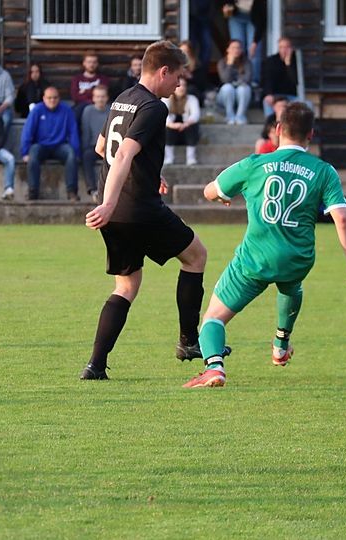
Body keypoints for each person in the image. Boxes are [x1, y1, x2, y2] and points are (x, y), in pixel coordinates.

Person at [184, 101, 346, 388]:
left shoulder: (255, 163)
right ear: (311, 134)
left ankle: (214, 367)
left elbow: (210, 191)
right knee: (291, 286)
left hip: (256, 259)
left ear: (278, 129)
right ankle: (281, 345)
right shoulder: (324, 171)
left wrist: (221, 195)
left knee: (213, 318)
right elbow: (342, 218)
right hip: (298, 259)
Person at [80, 40, 229, 381]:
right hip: (137, 208)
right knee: (196, 256)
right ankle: (189, 341)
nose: (178, 84)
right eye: (177, 76)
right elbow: (123, 153)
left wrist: (143, 176)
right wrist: (110, 202)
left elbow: (102, 147)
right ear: (163, 72)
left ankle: (95, 365)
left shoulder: (122, 99)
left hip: (115, 213)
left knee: (126, 286)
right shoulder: (154, 107)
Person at [19, 86, 81, 201]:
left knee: (71, 154)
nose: (52, 100)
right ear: (44, 98)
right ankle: (33, 192)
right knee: (33, 154)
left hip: (60, 146)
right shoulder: (37, 110)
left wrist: (76, 152)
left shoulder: (67, 110)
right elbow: (27, 131)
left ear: (59, 98)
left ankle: (72, 191)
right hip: (41, 146)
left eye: (55, 97)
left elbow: (73, 132)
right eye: (49, 98)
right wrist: (25, 152)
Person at [223, 0, 266, 86]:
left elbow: (262, 20)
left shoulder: (259, 3)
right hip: (236, 17)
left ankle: (254, 81)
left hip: (254, 17)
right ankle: (235, 80)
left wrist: (255, 41)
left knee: (254, 51)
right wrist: (225, 7)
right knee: (236, 49)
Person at [80, 84, 110, 202]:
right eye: (97, 96)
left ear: (107, 97)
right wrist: (84, 148)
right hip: (93, 147)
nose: (100, 99)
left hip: (109, 147)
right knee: (87, 156)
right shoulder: (88, 111)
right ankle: (93, 190)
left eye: (102, 96)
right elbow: (86, 132)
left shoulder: (112, 110)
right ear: (93, 98)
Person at [163, 78, 201, 166]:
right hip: (172, 134)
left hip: (187, 134)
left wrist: (185, 124)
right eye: (179, 85)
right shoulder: (166, 99)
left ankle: (191, 158)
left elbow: (195, 115)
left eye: (184, 85)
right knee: (166, 128)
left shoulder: (192, 99)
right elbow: (163, 116)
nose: (182, 88)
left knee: (192, 126)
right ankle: (169, 158)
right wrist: (173, 125)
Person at [217, 39, 252, 125]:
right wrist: (230, 64)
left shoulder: (246, 62)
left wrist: (235, 83)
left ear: (241, 50)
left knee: (244, 88)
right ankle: (230, 116)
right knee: (227, 87)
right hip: (225, 97)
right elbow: (225, 80)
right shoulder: (222, 62)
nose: (236, 50)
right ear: (228, 49)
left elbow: (247, 79)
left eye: (238, 48)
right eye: (233, 48)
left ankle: (240, 116)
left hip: (241, 95)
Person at [261, 37, 298, 117]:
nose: (284, 50)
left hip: (291, 95)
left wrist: (288, 65)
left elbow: (295, 81)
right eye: (281, 47)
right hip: (275, 94)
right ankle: (270, 123)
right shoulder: (271, 61)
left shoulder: (297, 61)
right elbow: (267, 79)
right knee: (267, 101)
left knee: (304, 104)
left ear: (291, 48)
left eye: (286, 47)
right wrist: (268, 94)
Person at [69, 52, 110, 121]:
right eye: (89, 62)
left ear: (97, 64)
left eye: (94, 62)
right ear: (84, 63)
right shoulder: (77, 79)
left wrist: (84, 92)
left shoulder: (103, 79)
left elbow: (104, 95)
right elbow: (75, 97)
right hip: (80, 108)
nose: (91, 64)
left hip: (98, 106)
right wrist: (92, 92)